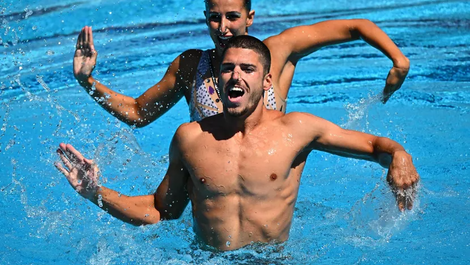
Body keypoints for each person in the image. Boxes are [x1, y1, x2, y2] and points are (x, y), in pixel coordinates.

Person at [57, 36, 419, 251]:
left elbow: (375, 147)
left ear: (266, 81)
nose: (235, 75)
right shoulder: (191, 138)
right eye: (228, 68)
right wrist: (94, 192)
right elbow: (160, 210)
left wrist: (400, 155)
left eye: (247, 69)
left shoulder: (297, 130)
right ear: (216, 80)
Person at [73, 0, 410, 125]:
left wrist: (397, 59)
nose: (223, 28)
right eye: (214, 18)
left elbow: (356, 26)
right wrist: (88, 82)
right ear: (205, 19)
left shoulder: (278, 51)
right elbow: (138, 113)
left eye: (232, 17)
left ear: (249, 18)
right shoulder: (192, 66)